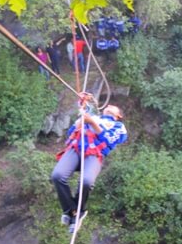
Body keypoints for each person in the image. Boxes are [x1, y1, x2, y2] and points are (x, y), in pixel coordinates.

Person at [50, 95, 127, 233]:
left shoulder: (118, 126)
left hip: (94, 153)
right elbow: (71, 132)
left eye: (112, 107)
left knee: (86, 181)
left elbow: (108, 139)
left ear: (118, 115)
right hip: (76, 148)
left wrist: (91, 122)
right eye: (107, 106)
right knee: (57, 175)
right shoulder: (92, 116)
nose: (108, 106)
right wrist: (85, 104)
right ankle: (71, 210)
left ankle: (77, 212)